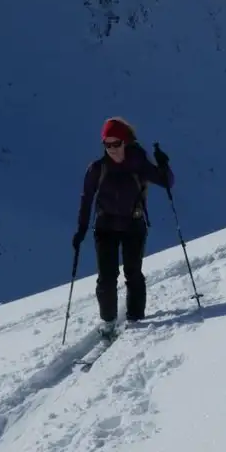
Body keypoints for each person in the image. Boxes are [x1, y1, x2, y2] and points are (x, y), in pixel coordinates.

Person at [73, 117, 174, 333]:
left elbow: (167, 182)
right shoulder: (97, 169)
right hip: (105, 227)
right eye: (107, 144)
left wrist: (164, 165)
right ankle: (108, 322)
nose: (112, 149)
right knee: (106, 279)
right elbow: (86, 198)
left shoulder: (139, 164)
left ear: (125, 141)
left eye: (116, 143)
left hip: (133, 226)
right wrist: (80, 230)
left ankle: (135, 320)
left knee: (133, 273)